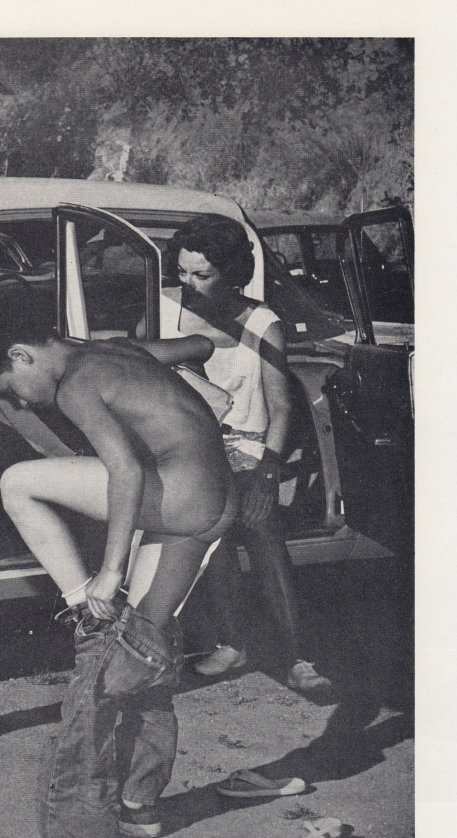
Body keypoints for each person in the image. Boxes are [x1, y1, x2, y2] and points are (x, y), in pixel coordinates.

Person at [0, 305, 237, 838]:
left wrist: (110, 570)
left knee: (17, 483)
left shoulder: (75, 384)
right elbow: (201, 346)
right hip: (213, 501)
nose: (23, 404)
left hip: (178, 499)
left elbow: (126, 472)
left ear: (22, 356)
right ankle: (140, 804)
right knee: (142, 646)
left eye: (12, 390)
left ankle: (80, 604)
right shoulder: (115, 351)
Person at [158, 214, 331, 692]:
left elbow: (281, 406)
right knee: (211, 534)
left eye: (202, 274)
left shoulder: (262, 323)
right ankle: (233, 644)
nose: (188, 283)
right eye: (182, 272)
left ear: (232, 272)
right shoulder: (164, 309)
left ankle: (299, 658)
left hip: (251, 449)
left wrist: (267, 474)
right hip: (191, 449)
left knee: (261, 529)